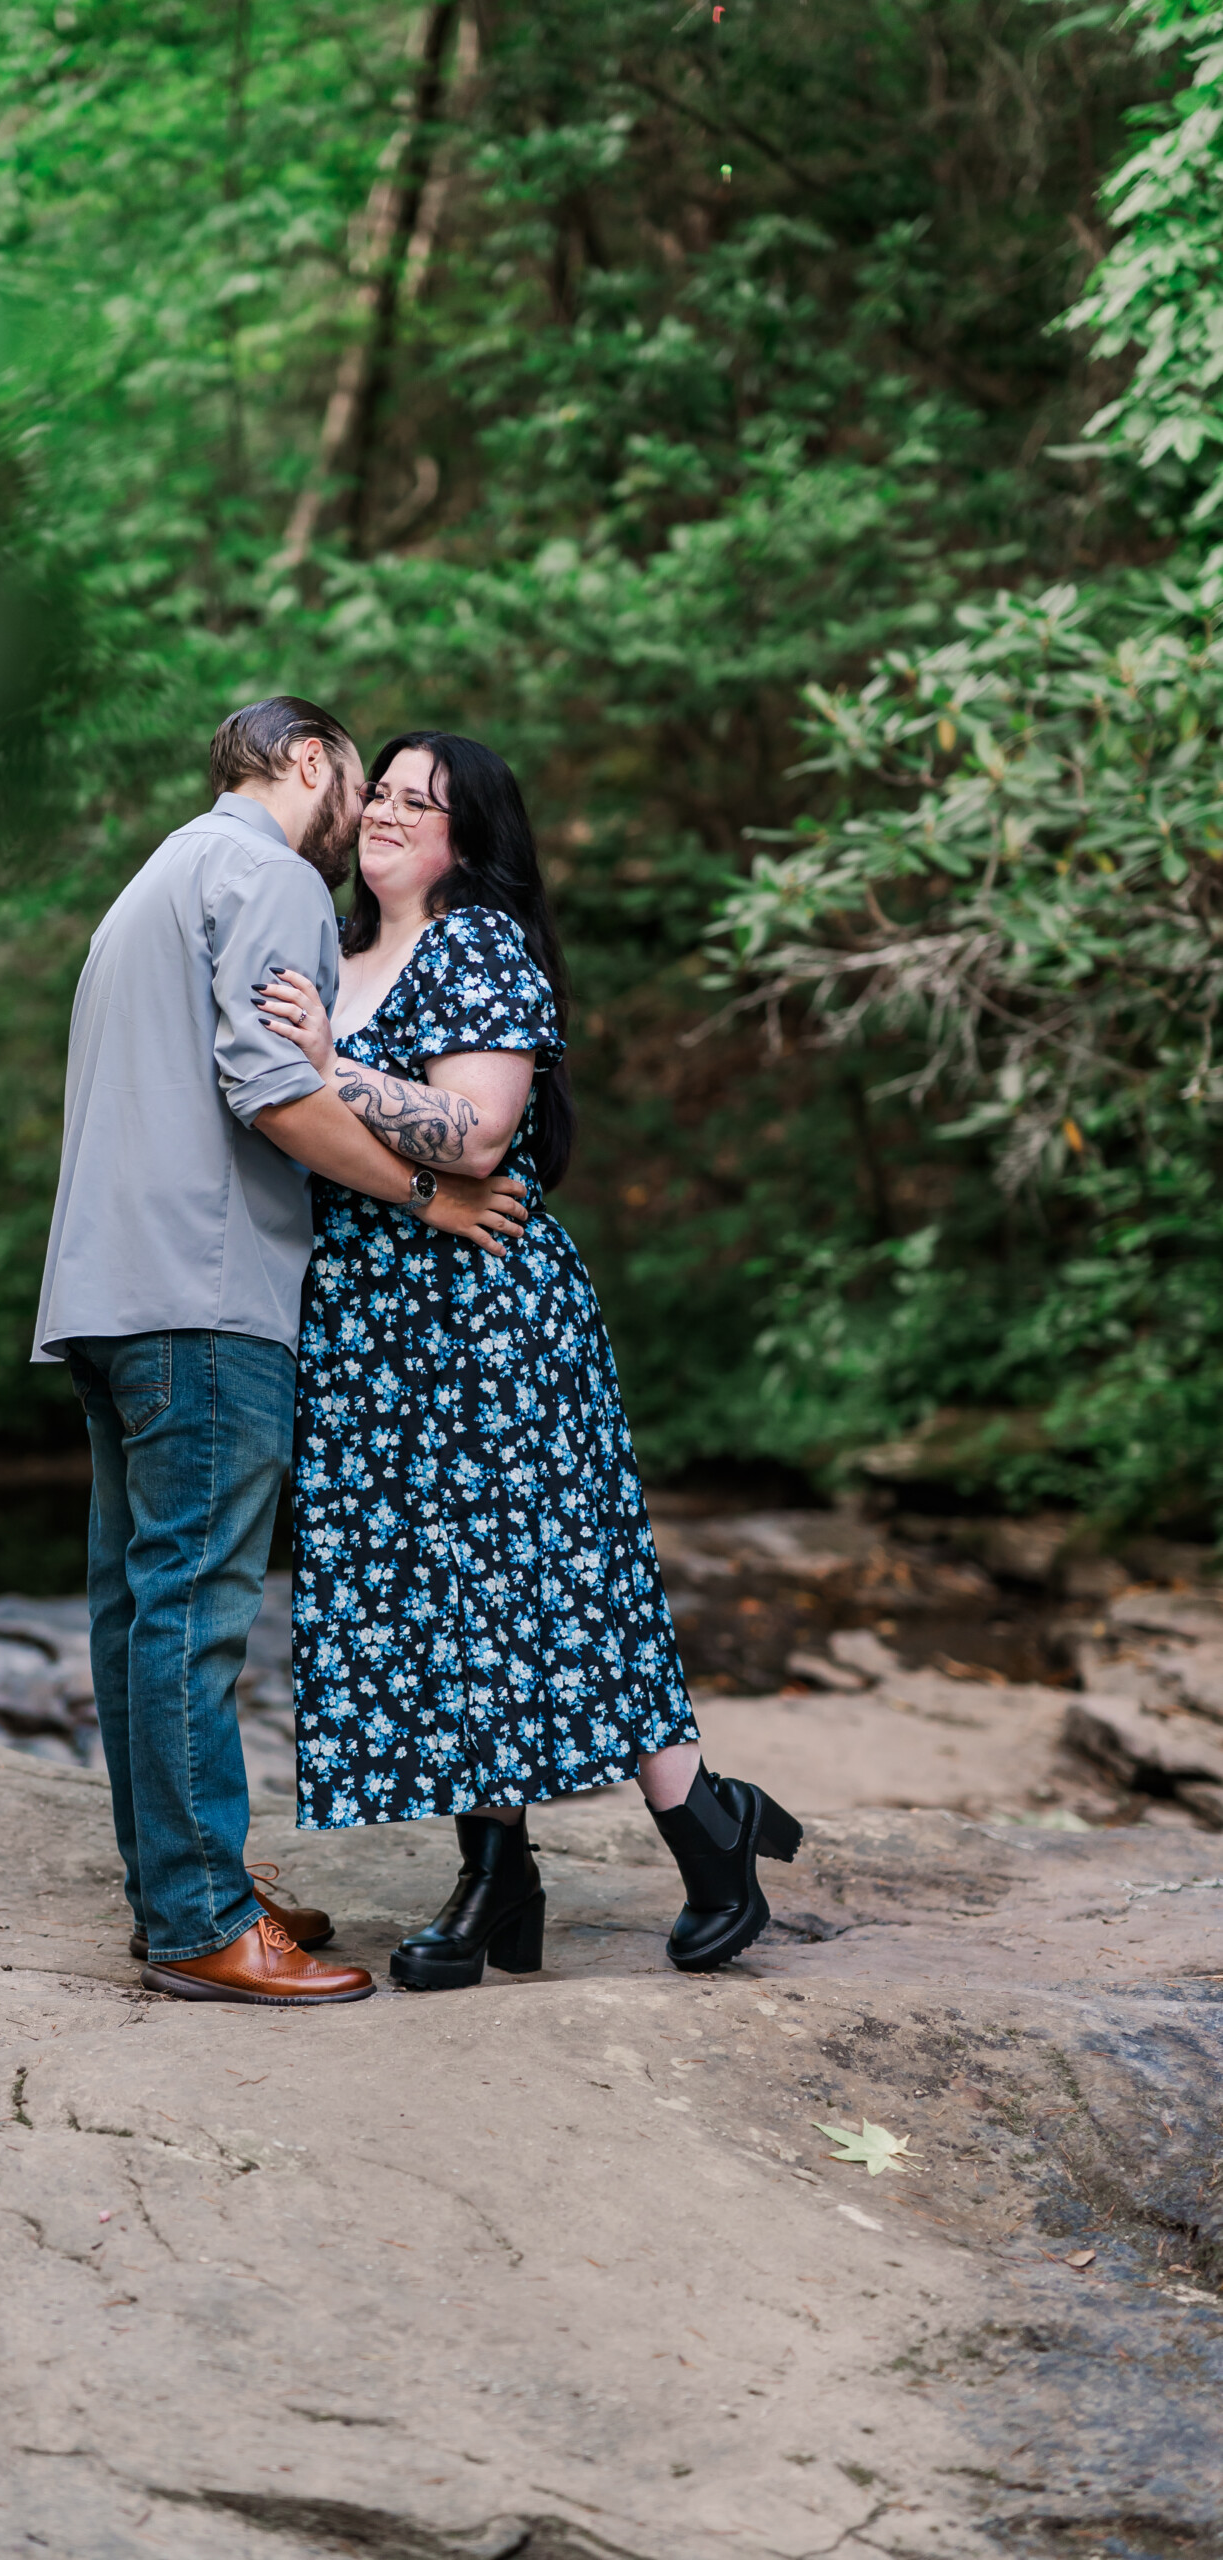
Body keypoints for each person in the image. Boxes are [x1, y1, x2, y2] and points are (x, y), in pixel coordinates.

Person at [256, 731, 803, 1986]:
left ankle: (706, 1828)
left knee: (551, 1574)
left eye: (420, 803)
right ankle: (498, 1874)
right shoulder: (329, 955)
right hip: (366, 1325)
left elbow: (482, 1131)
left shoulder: (477, 947)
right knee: (435, 1595)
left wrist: (333, 1067)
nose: (388, 815)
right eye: (380, 794)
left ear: (470, 839)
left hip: (488, 1316)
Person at [32, 698, 529, 2007]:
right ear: (307, 761)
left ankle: (182, 1888)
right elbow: (272, 1087)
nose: (359, 818)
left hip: (101, 1288)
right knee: (193, 1612)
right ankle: (200, 1922)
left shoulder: (160, 874)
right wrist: (429, 1198)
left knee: (137, 1610)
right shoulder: (266, 877)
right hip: (203, 1291)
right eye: (355, 787)